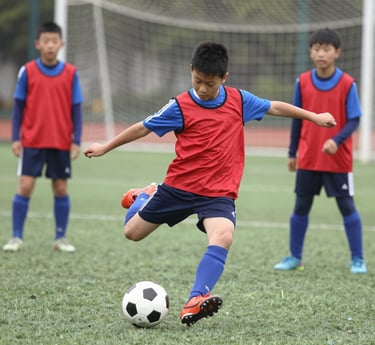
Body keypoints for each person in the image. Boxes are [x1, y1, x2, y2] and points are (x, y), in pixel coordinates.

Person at [84, 41, 336, 326]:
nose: (203, 89)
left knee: (223, 236)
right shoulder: (180, 106)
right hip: (178, 188)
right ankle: (147, 195)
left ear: (224, 79)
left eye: (210, 84)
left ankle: (196, 298)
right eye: (198, 81)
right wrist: (106, 146)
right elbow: (143, 126)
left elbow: (274, 106)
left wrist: (313, 117)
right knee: (132, 233)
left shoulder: (239, 100)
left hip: (218, 193)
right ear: (191, 71)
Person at [274, 28, 367, 274]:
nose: (321, 54)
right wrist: (292, 152)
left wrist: (337, 140)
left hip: (338, 160)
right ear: (311, 51)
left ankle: (357, 259)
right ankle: (294, 257)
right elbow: (296, 118)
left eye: (326, 49)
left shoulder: (348, 84)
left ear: (337, 53)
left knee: (347, 207)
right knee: (301, 207)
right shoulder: (302, 81)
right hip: (308, 158)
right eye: (316, 49)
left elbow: (354, 120)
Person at [3, 22, 83, 253]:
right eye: (45, 41)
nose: (50, 45)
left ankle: (61, 238)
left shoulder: (70, 73)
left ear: (61, 44)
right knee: (25, 186)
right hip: (32, 140)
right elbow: (18, 106)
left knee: (60, 188)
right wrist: (16, 137)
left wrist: (76, 140)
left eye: (54, 41)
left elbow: (76, 109)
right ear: (38, 44)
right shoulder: (27, 71)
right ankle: (16, 237)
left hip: (59, 142)